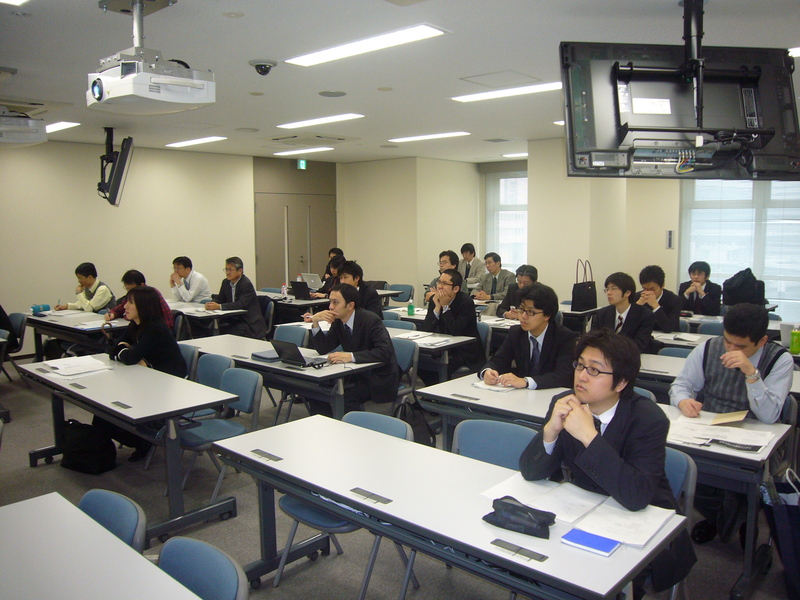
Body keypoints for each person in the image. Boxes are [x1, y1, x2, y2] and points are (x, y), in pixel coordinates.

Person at [519, 330, 696, 599]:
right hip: (584, 511)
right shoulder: (565, 402)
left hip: (641, 522)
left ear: (621, 382)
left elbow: (636, 496)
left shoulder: (648, 419)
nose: (581, 376)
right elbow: (531, 471)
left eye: (594, 370)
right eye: (580, 365)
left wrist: (589, 437)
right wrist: (550, 431)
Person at [669, 303, 793, 544]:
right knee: (682, 462)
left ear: (762, 341)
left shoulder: (780, 360)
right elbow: (682, 385)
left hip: (759, 436)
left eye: (741, 346)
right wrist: (683, 401)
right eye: (727, 341)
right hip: (709, 428)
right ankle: (724, 519)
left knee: (748, 477)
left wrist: (751, 373)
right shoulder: (708, 348)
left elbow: (769, 416)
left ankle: (737, 520)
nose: (731, 349)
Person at [97, 286, 187, 461]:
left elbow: (129, 358)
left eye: (130, 303)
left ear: (143, 306)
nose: (125, 306)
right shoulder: (136, 324)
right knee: (104, 409)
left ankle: (142, 441)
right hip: (148, 378)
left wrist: (126, 352)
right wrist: (125, 351)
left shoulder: (154, 327)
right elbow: (114, 350)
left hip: (168, 385)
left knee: (112, 408)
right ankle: (132, 442)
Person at [309, 284, 399, 416]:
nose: (331, 307)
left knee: (346, 397)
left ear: (350, 305)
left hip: (377, 376)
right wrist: (315, 322)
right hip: (354, 374)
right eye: (330, 302)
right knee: (315, 389)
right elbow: (323, 348)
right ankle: (328, 422)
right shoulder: (339, 321)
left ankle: (351, 425)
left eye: (336, 302)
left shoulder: (371, 320)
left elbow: (385, 352)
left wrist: (351, 356)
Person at [480, 283, 575, 389]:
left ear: (547, 315)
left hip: (551, 392)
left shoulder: (564, 337)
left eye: (530, 312)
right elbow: (498, 360)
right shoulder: (516, 333)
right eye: (521, 310)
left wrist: (526, 382)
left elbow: (563, 375)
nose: (523, 316)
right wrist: (488, 371)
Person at [420, 269, 483, 376]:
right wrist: (437, 308)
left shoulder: (466, 302)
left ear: (456, 289)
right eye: (439, 282)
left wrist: (445, 307)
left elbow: (455, 330)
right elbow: (426, 328)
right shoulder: (435, 299)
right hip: (441, 346)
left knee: (442, 367)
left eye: (444, 284)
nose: (440, 287)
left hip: (463, 350)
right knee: (421, 363)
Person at [591, 272, 654, 353]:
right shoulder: (602, 313)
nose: (609, 293)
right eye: (607, 289)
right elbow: (593, 339)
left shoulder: (645, 315)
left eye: (614, 288)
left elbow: (638, 345)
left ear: (627, 293)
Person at [206, 257, 267, 339]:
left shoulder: (246, 284)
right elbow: (220, 299)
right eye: (226, 269)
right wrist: (211, 303)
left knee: (230, 331)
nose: (228, 272)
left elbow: (240, 304)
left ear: (240, 271)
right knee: (211, 328)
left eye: (230, 270)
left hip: (249, 322)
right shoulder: (226, 282)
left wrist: (219, 306)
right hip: (234, 319)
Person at [105, 269, 173, 328]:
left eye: (131, 289)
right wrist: (113, 314)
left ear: (141, 285)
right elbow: (120, 309)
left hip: (158, 330)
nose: (129, 292)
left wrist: (126, 316)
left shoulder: (150, 295)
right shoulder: (132, 295)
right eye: (127, 289)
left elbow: (141, 316)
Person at [633, 265, 681, 333]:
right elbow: (628, 325)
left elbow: (669, 328)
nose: (648, 292)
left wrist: (655, 306)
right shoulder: (637, 297)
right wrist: (637, 307)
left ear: (662, 285)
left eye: (652, 289)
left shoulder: (674, 300)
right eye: (645, 289)